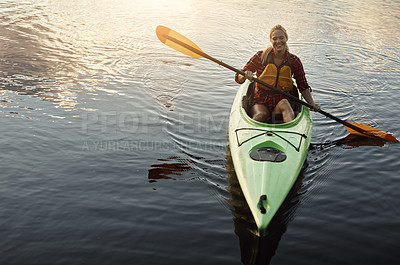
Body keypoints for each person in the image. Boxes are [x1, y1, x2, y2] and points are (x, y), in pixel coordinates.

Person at [235, 25, 320, 123]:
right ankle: (248, 132)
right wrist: (245, 75)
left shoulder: (294, 61)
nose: (278, 41)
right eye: (274, 39)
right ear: (271, 40)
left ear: (286, 38)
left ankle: (290, 132)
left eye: (281, 38)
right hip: (261, 101)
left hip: (281, 102)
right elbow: (238, 78)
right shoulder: (260, 56)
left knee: (285, 104)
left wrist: (312, 104)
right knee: (261, 114)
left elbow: (303, 86)